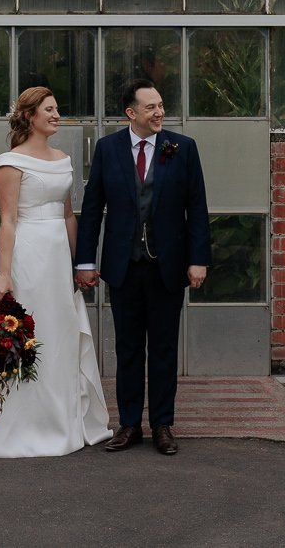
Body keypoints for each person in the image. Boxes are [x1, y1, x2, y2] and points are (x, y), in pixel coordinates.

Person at [0, 86, 113, 457]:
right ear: (30, 116)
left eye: (57, 109)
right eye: (49, 109)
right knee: (26, 339)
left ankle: (60, 422)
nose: (56, 115)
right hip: (26, 259)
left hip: (57, 260)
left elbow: (67, 215)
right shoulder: (10, 162)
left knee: (60, 338)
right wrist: (5, 273)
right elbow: (9, 220)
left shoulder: (63, 158)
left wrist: (81, 265)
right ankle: (13, 426)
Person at [75, 79, 211, 455]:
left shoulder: (182, 148)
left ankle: (163, 425)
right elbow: (92, 210)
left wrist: (198, 259)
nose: (159, 112)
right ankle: (130, 424)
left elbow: (196, 207)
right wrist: (85, 261)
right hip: (123, 267)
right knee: (128, 348)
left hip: (167, 266)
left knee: (164, 349)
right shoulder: (108, 149)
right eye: (150, 107)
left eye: (161, 105)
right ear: (131, 113)